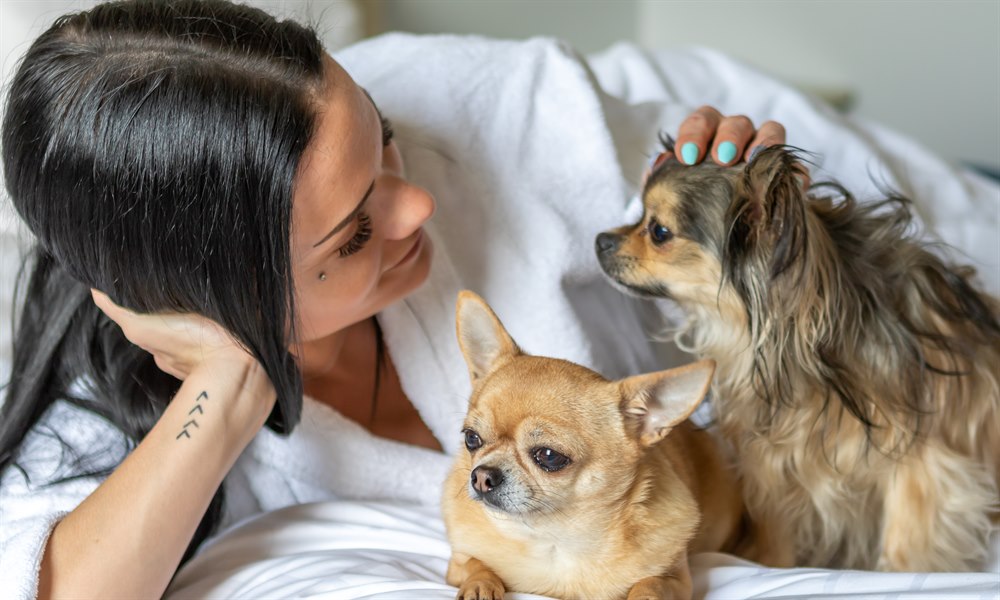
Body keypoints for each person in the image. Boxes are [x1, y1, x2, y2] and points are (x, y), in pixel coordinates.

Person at [0, 1, 791, 598]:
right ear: (215, 296)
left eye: (381, 138)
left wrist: (763, 224)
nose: (415, 207)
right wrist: (230, 379)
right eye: (351, 234)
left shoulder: (490, 114)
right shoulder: (106, 402)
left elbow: (849, 254)